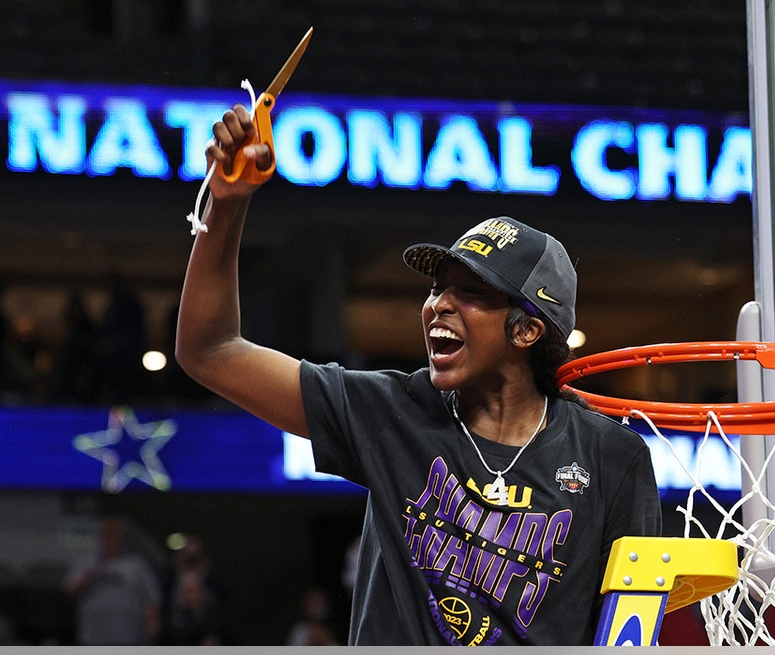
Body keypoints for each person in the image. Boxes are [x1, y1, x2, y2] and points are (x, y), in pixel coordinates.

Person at [175, 104, 662, 645]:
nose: (438, 306)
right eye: (437, 288)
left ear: (527, 332)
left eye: (470, 294)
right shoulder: (391, 412)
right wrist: (227, 203)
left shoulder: (610, 456)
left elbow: (628, 631)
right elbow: (210, 350)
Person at [63, 516, 161, 646]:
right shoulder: (86, 561)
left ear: (122, 538)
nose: (110, 540)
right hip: (93, 635)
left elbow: (152, 598)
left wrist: (152, 623)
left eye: (115, 536)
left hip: (129, 636)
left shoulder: (137, 564)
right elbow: (69, 590)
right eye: (107, 535)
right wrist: (87, 578)